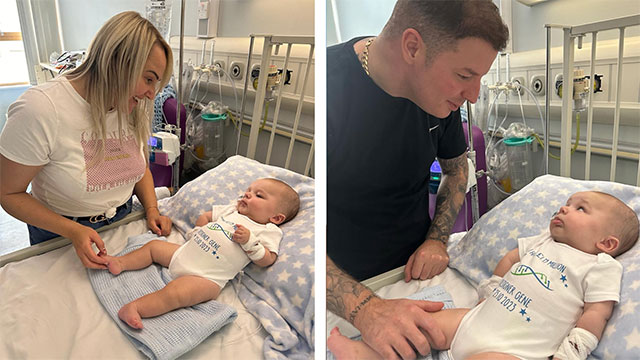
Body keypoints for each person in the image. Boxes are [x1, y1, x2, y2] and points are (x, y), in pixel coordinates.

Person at [326, 0, 509, 358]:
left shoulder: (439, 100)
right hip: (342, 283)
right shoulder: (332, 92)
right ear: (412, 47)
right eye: (465, 75)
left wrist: (437, 241)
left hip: (415, 273)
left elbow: (457, 170)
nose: (473, 95)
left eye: (480, 78)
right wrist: (365, 308)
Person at [328, 191, 640, 360]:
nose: (564, 208)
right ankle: (363, 353)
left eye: (580, 209)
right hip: (474, 319)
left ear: (607, 243)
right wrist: (491, 286)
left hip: (515, 349)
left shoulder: (600, 266)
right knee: (420, 325)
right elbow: (510, 258)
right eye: (566, 203)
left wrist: (573, 351)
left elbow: (597, 312)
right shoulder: (543, 240)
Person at [0, 11, 174, 269]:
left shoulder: (130, 106)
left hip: (122, 222)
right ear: (118, 61)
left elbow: (138, 170)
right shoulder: (40, 109)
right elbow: (9, 193)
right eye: (148, 79)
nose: (151, 95)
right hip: (59, 236)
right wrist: (72, 230)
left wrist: (151, 210)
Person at [99, 178, 300, 329]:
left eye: (259, 195)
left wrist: (250, 243)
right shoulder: (231, 211)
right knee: (153, 247)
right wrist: (196, 231)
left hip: (206, 278)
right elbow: (205, 216)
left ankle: (136, 308)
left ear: (276, 217)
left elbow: (268, 259)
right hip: (184, 254)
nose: (247, 194)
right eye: (249, 190)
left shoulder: (268, 231)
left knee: (175, 293)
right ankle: (121, 262)